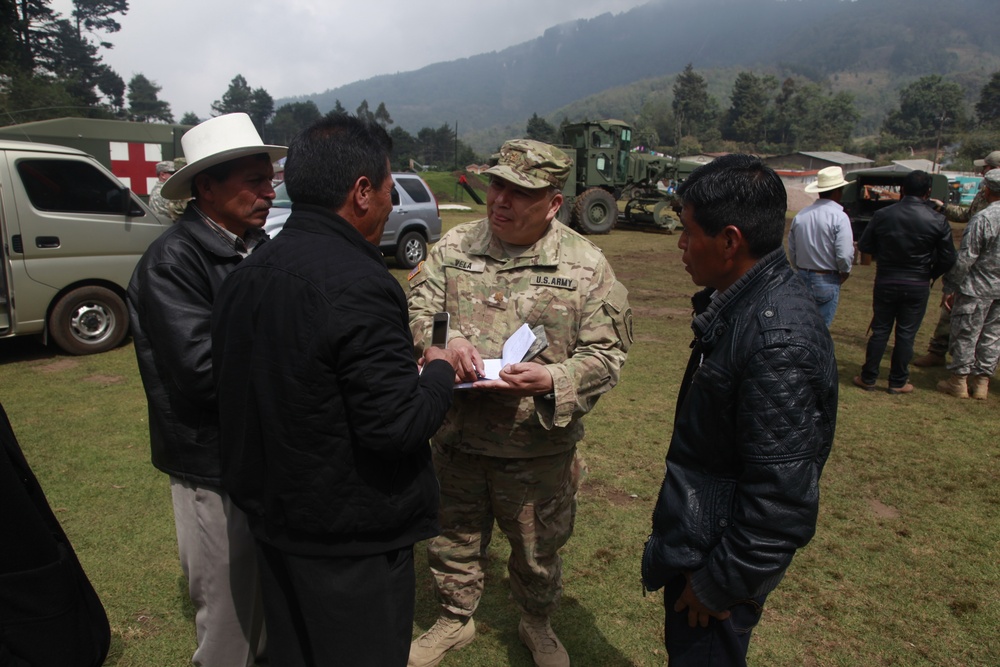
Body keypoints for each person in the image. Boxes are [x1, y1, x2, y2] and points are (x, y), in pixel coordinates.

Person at [211, 114, 464, 667]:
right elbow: (395, 426)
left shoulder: (249, 271)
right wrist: (440, 370)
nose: (395, 205)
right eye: (392, 190)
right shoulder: (361, 284)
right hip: (348, 545)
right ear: (362, 192)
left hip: (276, 524)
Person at [406, 139, 632, 667]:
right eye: (497, 185)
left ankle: (536, 622)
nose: (500, 200)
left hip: (536, 448)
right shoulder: (455, 246)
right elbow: (420, 310)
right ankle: (454, 620)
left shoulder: (586, 265)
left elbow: (608, 354)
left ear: (553, 202)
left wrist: (552, 378)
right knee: (452, 537)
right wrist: (448, 341)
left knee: (537, 550)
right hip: (457, 437)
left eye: (519, 191)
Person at [641, 155, 837, 666]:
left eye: (687, 232)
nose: (680, 245)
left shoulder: (775, 339)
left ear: (730, 241)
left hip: (717, 563)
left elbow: (783, 499)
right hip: (706, 542)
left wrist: (718, 584)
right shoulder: (741, 304)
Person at [127, 112, 285, 667]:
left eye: (271, 179)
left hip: (259, 452)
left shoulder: (256, 246)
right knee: (228, 614)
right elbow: (200, 370)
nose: (269, 192)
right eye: (254, 181)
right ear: (206, 187)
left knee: (262, 593)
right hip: (211, 462)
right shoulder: (171, 263)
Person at [853, 170, 957, 394]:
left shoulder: (883, 215)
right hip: (918, 281)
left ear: (901, 190)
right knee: (906, 333)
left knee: (880, 329)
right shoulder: (938, 220)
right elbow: (949, 257)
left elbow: (865, 246)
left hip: (887, 279)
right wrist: (930, 273)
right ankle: (898, 381)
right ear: (928, 192)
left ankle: (868, 376)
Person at [914, 150, 1000, 367]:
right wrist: (943, 208)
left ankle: (968, 369)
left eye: (986, 168)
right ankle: (939, 350)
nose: (982, 171)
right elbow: (967, 216)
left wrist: (951, 283)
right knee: (954, 312)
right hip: (978, 268)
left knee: (979, 323)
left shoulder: (989, 201)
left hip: (982, 269)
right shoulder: (983, 194)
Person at [936, 168, 1000, 400]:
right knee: (993, 335)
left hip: (976, 287)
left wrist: (950, 286)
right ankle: (982, 382)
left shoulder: (983, 218)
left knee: (966, 333)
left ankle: (959, 381)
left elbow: (966, 258)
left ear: (987, 190)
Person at [787, 165, 854, 327]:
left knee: (800, 326)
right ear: (838, 191)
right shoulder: (839, 217)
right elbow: (844, 254)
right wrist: (844, 271)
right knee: (820, 330)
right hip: (826, 277)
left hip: (802, 275)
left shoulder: (801, 215)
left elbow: (792, 250)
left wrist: (800, 268)